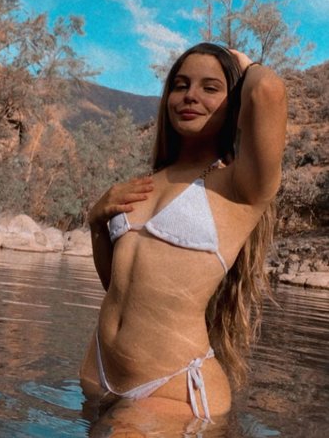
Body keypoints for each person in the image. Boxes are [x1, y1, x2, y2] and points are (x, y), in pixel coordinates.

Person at [79, 43, 287, 435]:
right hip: (100, 374)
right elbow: (120, 288)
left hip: (173, 389)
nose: (190, 95)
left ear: (234, 104)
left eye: (210, 88)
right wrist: (96, 223)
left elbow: (268, 92)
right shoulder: (149, 180)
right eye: (181, 85)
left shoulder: (241, 186)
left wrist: (244, 65)